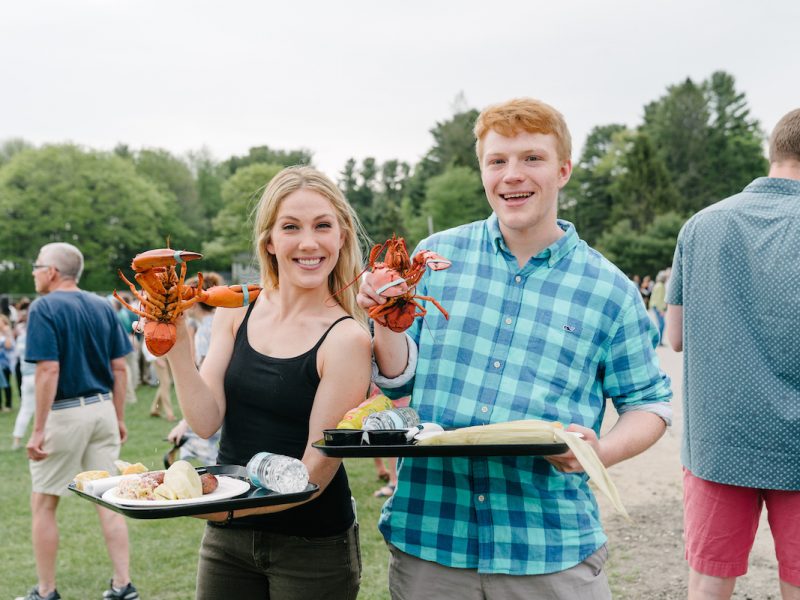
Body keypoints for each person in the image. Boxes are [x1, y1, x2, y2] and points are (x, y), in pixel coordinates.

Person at [358, 98, 673, 599]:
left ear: (564, 169)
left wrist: (600, 452)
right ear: (481, 170)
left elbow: (649, 404)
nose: (512, 175)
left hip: (548, 548)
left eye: (532, 158)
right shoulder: (435, 257)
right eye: (497, 161)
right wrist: (386, 325)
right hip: (432, 539)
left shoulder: (609, 289)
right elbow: (399, 380)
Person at [161, 166, 372, 599]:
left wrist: (222, 511)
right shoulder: (236, 309)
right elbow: (204, 422)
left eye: (322, 226)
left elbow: (313, 474)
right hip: (227, 546)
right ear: (269, 240)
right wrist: (177, 344)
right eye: (291, 227)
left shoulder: (348, 338)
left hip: (312, 546)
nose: (308, 242)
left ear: (342, 236)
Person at [666, 108, 800, 600]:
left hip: (719, 437)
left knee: (709, 581)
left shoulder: (702, 225)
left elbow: (675, 336)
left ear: (775, 151)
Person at [18, 242, 138, 600]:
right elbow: (121, 369)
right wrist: (117, 417)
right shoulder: (103, 305)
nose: (35, 272)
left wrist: (38, 429)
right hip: (102, 408)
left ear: (52, 271)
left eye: (38, 265)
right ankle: (122, 585)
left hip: (65, 412)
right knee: (110, 499)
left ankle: (46, 591)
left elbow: (48, 370)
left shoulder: (44, 307)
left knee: (44, 503)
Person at [165, 272, 225, 467]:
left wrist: (185, 423)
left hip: (215, 409)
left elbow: (208, 381)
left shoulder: (207, 330)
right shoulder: (217, 321)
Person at [0, 314, 15, 412]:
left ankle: (8, 405)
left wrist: (5, 333)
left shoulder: (6, 332)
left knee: (7, 384)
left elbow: (9, 346)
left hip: (5, 363)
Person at [649, 270, 668, 345]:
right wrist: (661, 310)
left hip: (654, 306)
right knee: (662, 324)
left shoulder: (657, 285)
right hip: (658, 307)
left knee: (659, 324)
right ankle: (658, 341)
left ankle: (658, 341)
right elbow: (659, 299)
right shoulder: (661, 286)